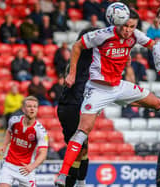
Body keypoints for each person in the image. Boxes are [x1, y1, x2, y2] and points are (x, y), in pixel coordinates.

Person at [55, 8, 160, 186]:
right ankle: (62, 175)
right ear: (118, 22)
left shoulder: (135, 35)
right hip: (98, 89)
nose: (128, 30)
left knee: (158, 103)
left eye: (132, 26)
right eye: (125, 26)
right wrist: (72, 74)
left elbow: (154, 46)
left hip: (119, 86)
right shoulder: (102, 35)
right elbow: (77, 45)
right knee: (82, 132)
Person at [56, 28, 97, 187]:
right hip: (74, 105)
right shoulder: (84, 54)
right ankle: (68, 181)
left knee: (83, 147)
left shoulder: (78, 57)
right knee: (79, 148)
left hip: (69, 105)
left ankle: (81, 182)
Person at [0, 96, 48, 187]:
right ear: (23, 109)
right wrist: (4, 146)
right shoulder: (14, 120)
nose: (32, 109)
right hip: (9, 165)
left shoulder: (40, 130)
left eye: (35, 107)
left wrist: (32, 166)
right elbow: (9, 131)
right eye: (29, 106)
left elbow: (43, 153)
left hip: (26, 168)